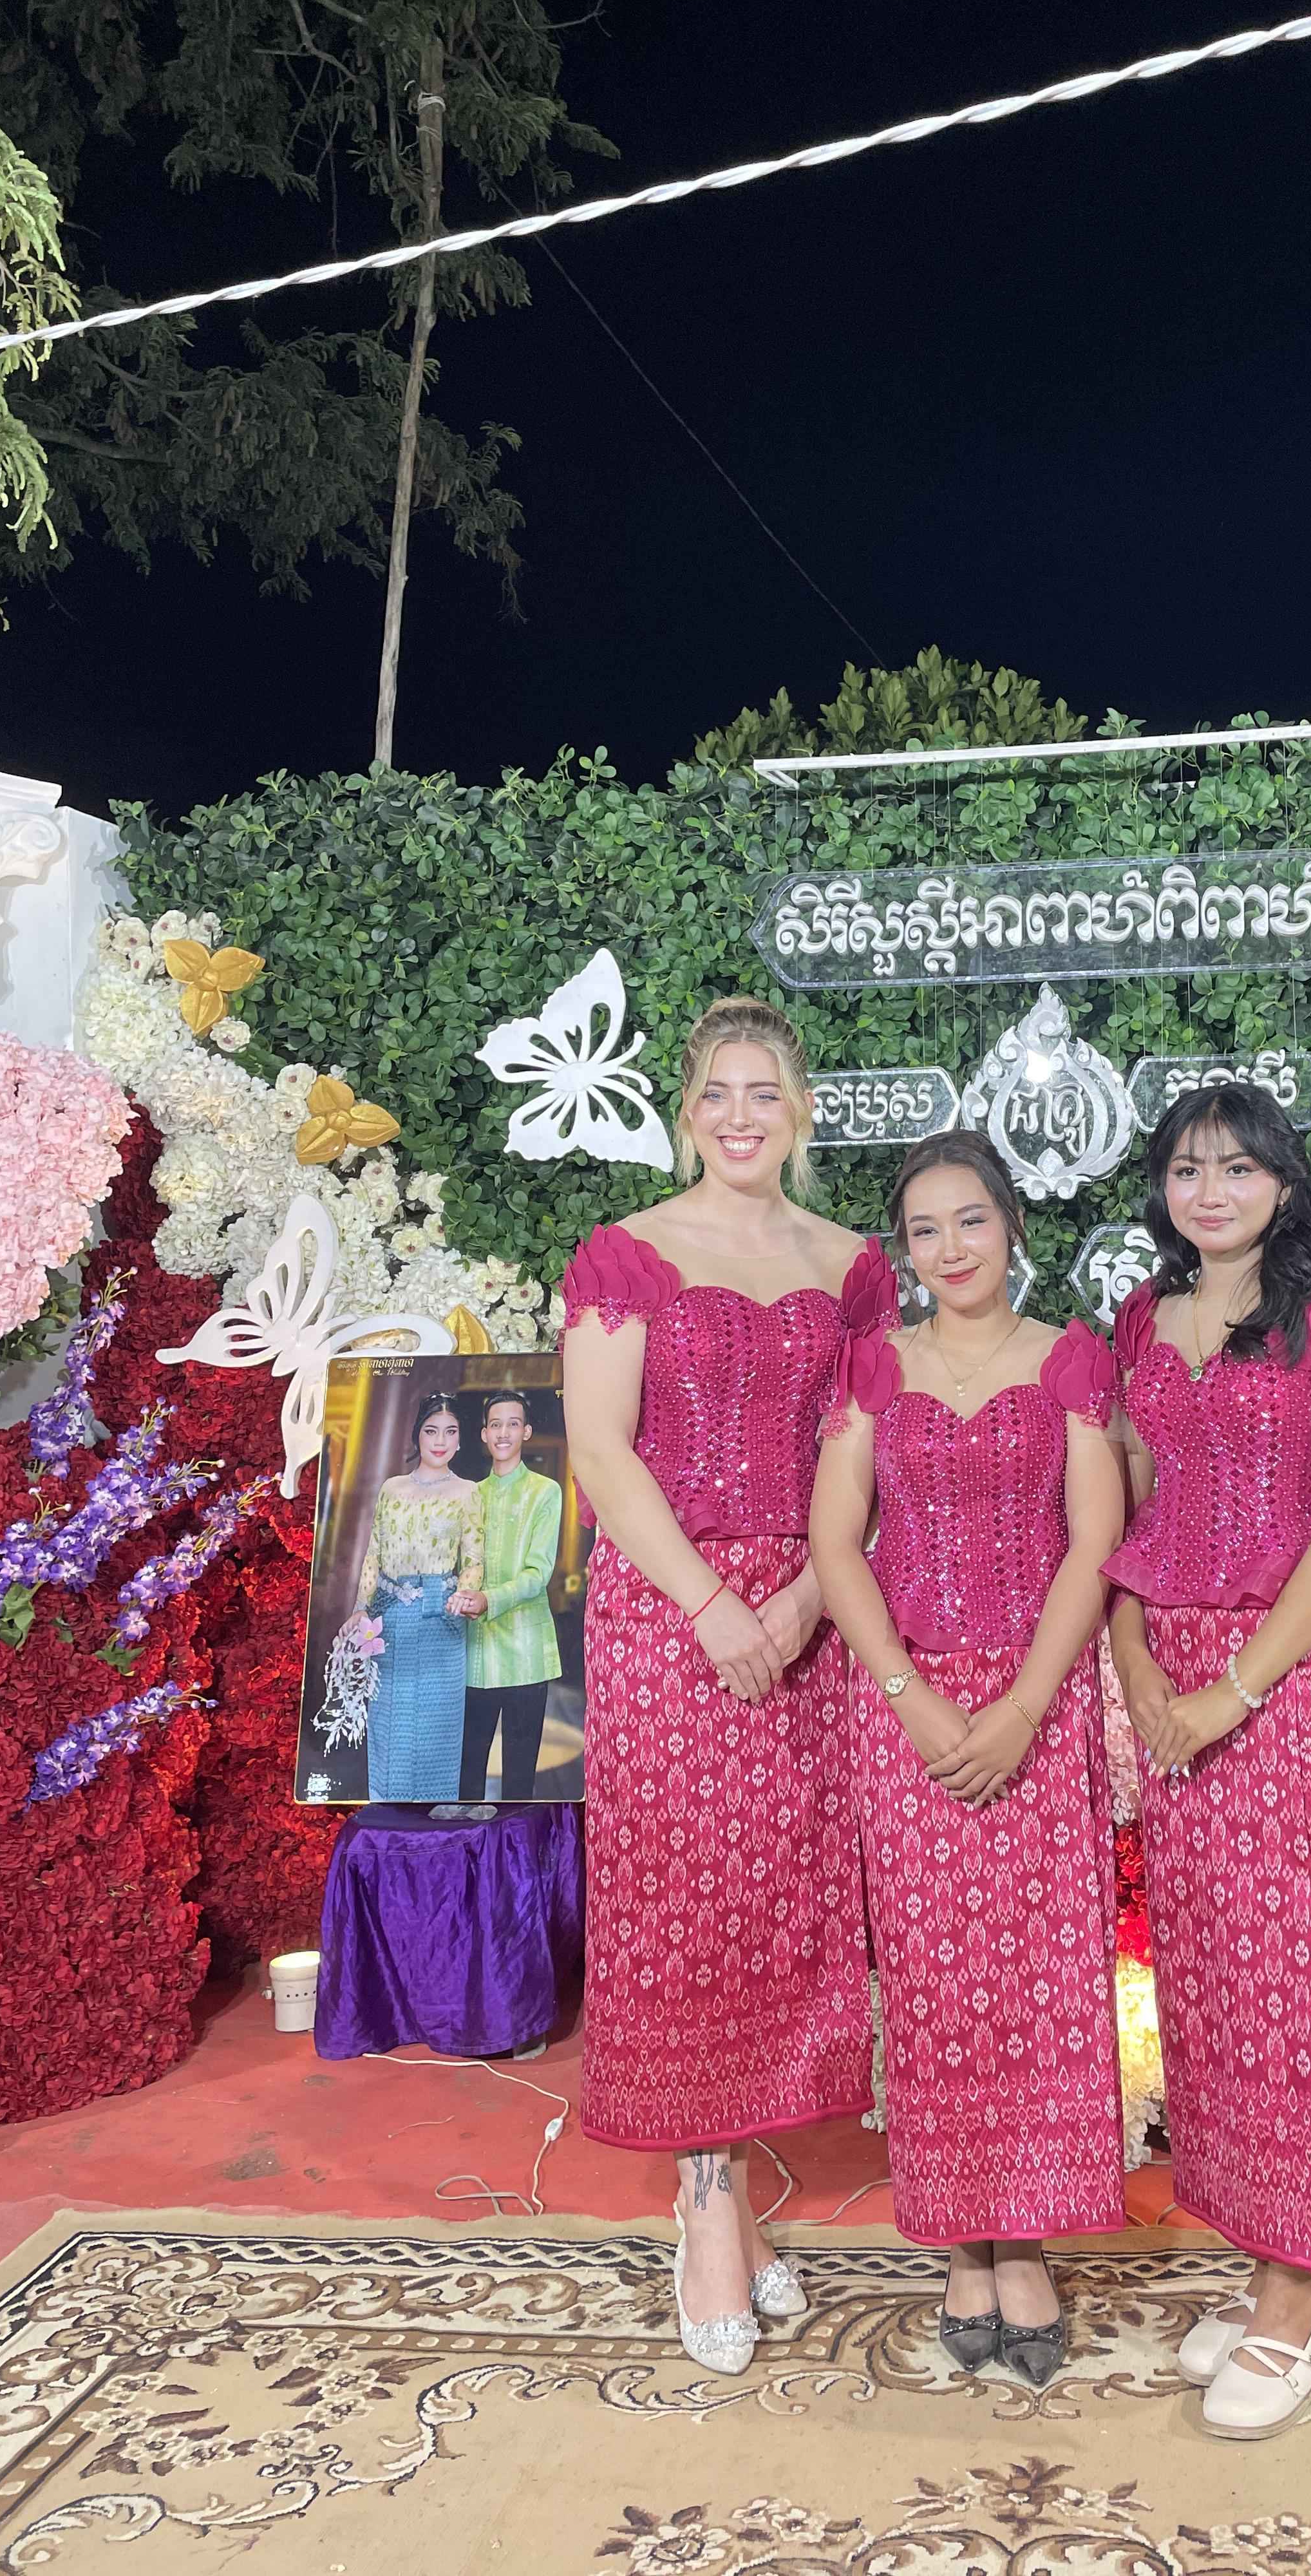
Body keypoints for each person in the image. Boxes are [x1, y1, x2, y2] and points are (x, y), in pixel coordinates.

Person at [561, 995, 894, 2377]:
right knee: (684, 1899)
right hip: (667, 1615)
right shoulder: (626, 1254)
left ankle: (737, 2193)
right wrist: (709, 1606)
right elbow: (600, 1449)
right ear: (686, 1114)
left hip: (810, 1618)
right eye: (716, 1093)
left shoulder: (853, 1264)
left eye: (765, 1093)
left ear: (800, 1111)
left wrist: (808, 1599)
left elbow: (867, 1455)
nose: (740, 1115)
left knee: (775, 1906)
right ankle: (703, 2206)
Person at [1105, 1083, 1311, 2444]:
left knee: (1287, 1976)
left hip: (1280, 1682)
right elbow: (1130, 1513)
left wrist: (1233, 1688)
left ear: (1281, 1180)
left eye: (1235, 1167)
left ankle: (1297, 2297)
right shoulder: (1141, 1320)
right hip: (1171, 1684)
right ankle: (1261, 2253)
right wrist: (1135, 1665)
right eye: (1185, 1169)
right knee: (1212, 1979)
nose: (1208, 1191)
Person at [811, 1130, 1125, 2387]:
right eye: (925, 1230)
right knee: (935, 1980)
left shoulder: (1072, 1361)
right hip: (908, 1716)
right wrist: (911, 1699)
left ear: (1013, 1226)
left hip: (1038, 1711)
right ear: (906, 1250)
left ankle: (1027, 2236)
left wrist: (1023, 1709)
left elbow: (1094, 1540)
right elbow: (836, 1543)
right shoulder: (873, 1366)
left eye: (971, 1221)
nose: (949, 1248)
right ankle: (958, 2237)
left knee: (1040, 1978)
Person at [346, 1391, 483, 1803]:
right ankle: (387, 1810)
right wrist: (360, 1608)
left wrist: (464, 1595)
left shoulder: (467, 1492)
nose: (440, 1441)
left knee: (436, 1727)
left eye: (450, 1432)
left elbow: (474, 1559)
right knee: (389, 1721)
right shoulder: (392, 1489)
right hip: (389, 1619)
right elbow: (374, 1552)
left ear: (461, 1439)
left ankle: (435, 1815)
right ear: (417, 1435)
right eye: (431, 1430)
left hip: (442, 1618)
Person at [452, 1390, 565, 1803]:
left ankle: (516, 1842)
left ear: (526, 1432)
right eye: (495, 1424)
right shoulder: (469, 1495)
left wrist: (488, 1600)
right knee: (466, 1775)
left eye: (513, 1424)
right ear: (484, 1434)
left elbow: (538, 1573)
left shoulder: (545, 1492)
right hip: (474, 1654)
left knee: (519, 1782)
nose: (504, 1433)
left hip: (526, 1654)